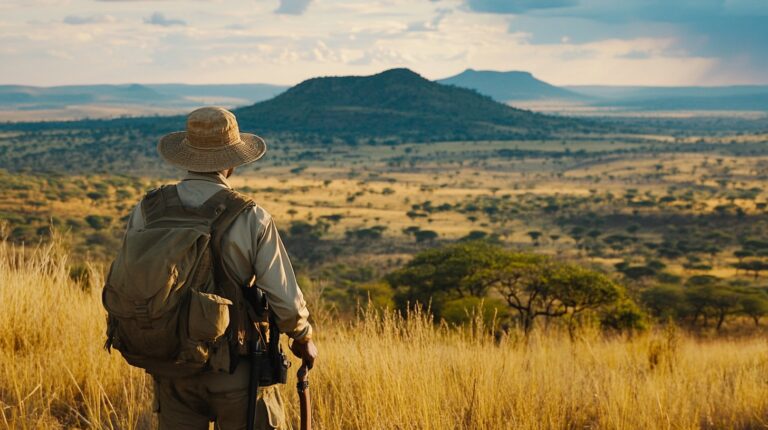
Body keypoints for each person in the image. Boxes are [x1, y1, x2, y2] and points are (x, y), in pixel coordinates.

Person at [121, 106, 318, 429]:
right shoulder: (251, 216)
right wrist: (302, 336)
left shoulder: (148, 209)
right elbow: (283, 296)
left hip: (170, 365)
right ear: (232, 162)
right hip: (236, 368)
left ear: (185, 157)